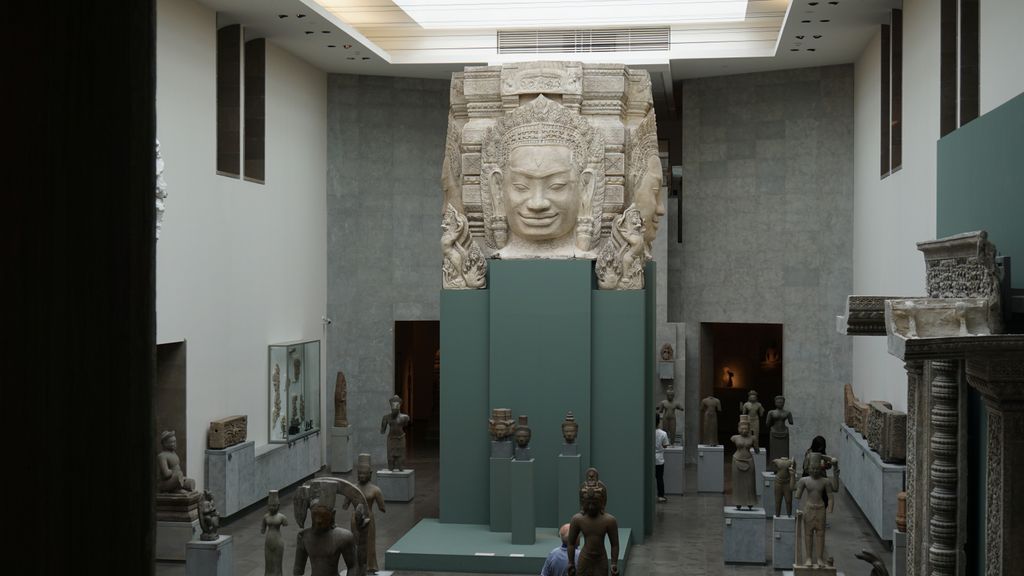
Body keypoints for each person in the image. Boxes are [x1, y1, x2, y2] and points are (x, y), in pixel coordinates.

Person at [568, 468, 620, 576]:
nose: (591, 507)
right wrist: (571, 562)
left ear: (601, 502)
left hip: (601, 559)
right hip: (584, 558)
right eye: (588, 503)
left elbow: (614, 544)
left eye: (594, 503)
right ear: (583, 503)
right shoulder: (577, 519)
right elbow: (571, 543)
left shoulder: (609, 521)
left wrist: (614, 563)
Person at [795, 453, 840, 568]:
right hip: (809, 509)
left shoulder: (825, 481)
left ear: (821, 469)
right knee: (808, 534)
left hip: (820, 509)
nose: (814, 471)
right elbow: (796, 494)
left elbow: (833, 491)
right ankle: (808, 558)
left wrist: (835, 470)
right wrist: (791, 476)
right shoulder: (804, 480)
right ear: (808, 468)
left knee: (821, 534)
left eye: (816, 469)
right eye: (812, 469)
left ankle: (819, 558)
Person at [730, 416, 758, 510]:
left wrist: (755, 443)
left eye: (746, 428)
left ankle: (750, 502)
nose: (744, 430)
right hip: (737, 460)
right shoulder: (735, 438)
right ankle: (738, 502)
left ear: (749, 429)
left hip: (749, 461)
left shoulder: (752, 438)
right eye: (742, 428)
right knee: (738, 484)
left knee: (750, 484)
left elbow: (757, 451)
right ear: (739, 429)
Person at [380, 395, 411, 471]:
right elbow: (382, 431)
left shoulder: (405, 417)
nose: (395, 409)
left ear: (400, 406)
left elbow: (406, 424)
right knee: (390, 460)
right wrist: (383, 424)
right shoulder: (386, 417)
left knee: (401, 462)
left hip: (401, 438)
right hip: (391, 439)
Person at [261, 491, 288, 576]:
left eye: (274, 505)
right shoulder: (266, 517)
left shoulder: (282, 517)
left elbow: (286, 523)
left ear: (278, 506)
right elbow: (262, 530)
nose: (272, 508)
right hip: (268, 542)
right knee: (268, 563)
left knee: (277, 563)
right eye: (270, 506)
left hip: (278, 542)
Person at [801, 435, 830, 509]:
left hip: (822, 477)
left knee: (825, 499)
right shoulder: (809, 454)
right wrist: (818, 468)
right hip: (813, 478)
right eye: (820, 446)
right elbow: (805, 468)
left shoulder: (822, 453)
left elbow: (828, 465)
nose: (821, 448)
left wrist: (827, 465)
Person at [654, 413, 670, 503]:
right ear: (658, 422)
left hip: (649, 459)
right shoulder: (663, 433)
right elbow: (665, 445)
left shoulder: (647, 432)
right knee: (659, 478)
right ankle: (660, 496)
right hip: (659, 459)